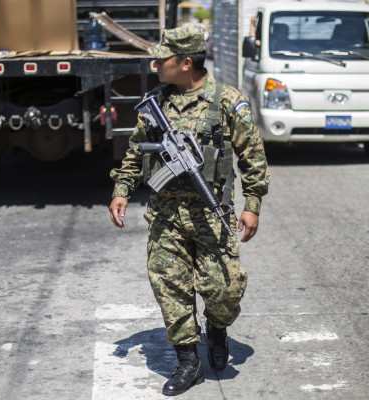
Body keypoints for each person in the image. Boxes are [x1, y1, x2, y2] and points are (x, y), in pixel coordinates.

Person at [108, 24, 271, 396]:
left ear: (185, 63)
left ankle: (217, 327)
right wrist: (122, 189)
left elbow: (253, 157)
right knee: (169, 288)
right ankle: (188, 363)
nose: (155, 66)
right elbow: (136, 151)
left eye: (161, 60)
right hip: (166, 215)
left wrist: (253, 204)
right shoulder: (156, 102)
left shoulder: (227, 101)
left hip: (212, 216)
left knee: (224, 291)